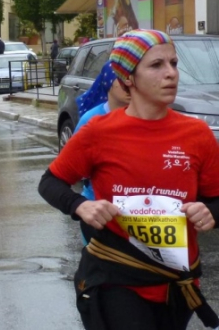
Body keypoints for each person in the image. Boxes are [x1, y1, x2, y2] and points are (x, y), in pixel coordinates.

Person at [38, 29, 219, 330]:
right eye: (156, 65)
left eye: (174, 63)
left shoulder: (197, 134)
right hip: (115, 280)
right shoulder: (98, 131)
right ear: (128, 77)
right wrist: (81, 205)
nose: (171, 73)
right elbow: (50, 182)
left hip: (177, 285)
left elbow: (216, 200)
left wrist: (210, 212)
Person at [73, 60, 131, 243]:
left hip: (135, 209)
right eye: (120, 79)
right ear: (108, 83)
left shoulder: (142, 116)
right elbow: (73, 164)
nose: (128, 84)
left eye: (131, 78)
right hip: (98, 208)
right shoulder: (91, 120)